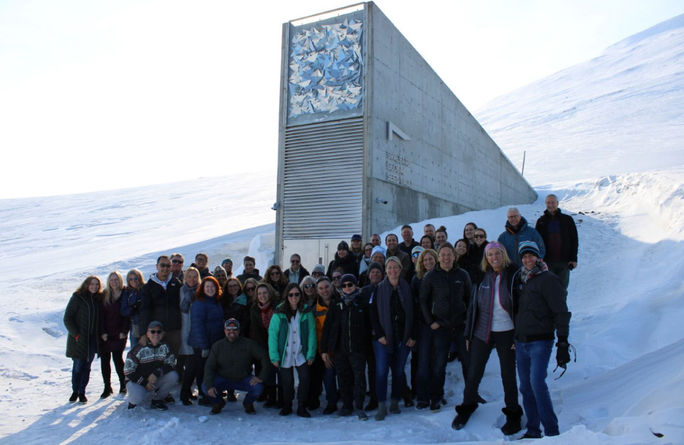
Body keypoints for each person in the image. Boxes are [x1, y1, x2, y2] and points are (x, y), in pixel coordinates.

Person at [452, 242, 522, 434]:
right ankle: (467, 405)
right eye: (490, 255)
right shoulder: (482, 277)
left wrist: (519, 335)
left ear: (504, 254)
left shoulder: (513, 275)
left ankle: (513, 413)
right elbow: (473, 307)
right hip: (482, 331)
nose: (494, 258)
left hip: (507, 332)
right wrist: (468, 333)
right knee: (474, 372)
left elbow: (521, 307)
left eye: (497, 253)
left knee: (508, 375)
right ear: (486, 258)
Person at [514, 241, 571, 438]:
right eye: (524, 256)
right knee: (525, 387)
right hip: (522, 342)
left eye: (531, 256)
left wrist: (562, 341)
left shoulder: (548, 279)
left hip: (540, 341)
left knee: (537, 384)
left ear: (538, 257)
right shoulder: (522, 279)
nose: (527, 259)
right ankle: (533, 430)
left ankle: (552, 432)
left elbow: (561, 312)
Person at [417, 242, 472, 411]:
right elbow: (423, 301)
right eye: (443, 255)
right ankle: (436, 397)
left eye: (449, 254)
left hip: (460, 325)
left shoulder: (462, 275)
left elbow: (470, 300)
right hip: (440, 326)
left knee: (467, 362)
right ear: (438, 257)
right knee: (439, 364)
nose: (446, 258)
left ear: (454, 257)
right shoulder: (431, 276)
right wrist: (430, 322)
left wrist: (468, 322)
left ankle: (471, 395)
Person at [369, 257, 415, 421]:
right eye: (389, 267)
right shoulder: (378, 289)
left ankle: (395, 401)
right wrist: (380, 334)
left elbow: (414, 313)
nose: (393, 270)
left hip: (403, 337)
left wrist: (412, 336)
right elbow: (373, 314)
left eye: (396, 267)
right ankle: (382, 405)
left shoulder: (407, 288)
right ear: (385, 270)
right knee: (381, 372)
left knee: (398, 371)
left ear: (400, 269)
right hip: (383, 339)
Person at [320, 274, 372, 420]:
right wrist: (324, 349)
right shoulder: (336, 304)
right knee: (343, 378)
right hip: (340, 348)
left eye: (350, 285)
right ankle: (347, 405)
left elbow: (370, 325)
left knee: (359, 377)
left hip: (357, 348)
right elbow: (328, 327)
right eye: (344, 285)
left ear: (355, 285)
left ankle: (359, 406)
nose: (347, 288)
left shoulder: (362, 303)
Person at [203, 318, 271, 415]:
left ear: (239, 330)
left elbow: (264, 356)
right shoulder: (217, 346)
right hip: (223, 379)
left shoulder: (249, 344)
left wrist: (261, 377)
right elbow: (209, 367)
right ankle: (218, 403)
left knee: (258, 388)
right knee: (205, 387)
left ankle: (248, 403)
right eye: (228, 329)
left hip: (243, 379)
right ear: (224, 330)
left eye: (235, 329)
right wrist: (210, 385)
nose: (232, 332)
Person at [268, 283, 317, 417]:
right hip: (286, 353)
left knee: (305, 379)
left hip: (301, 352)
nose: (294, 297)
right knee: (287, 382)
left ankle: (302, 406)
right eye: (291, 295)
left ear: (300, 296)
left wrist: (311, 354)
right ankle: (287, 405)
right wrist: (274, 356)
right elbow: (273, 335)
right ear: (286, 296)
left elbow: (312, 334)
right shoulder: (279, 313)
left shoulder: (306, 312)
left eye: (297, 294)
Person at [186, 276, 224, 406]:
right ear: (202, 288)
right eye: (207, 286)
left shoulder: (215, 301)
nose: (210, 289)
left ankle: (211, 391)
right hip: (202, 344)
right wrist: (204, 346)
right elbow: (197, 325)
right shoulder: (200, 303)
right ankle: (204, 395)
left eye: (212, 286)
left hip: (215, 342)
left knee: (211, 368)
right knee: (203, 370)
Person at [64, 275, 102, 403]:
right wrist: (77, 335)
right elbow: (68, 318)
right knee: (78, 366)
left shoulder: (98, 299)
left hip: (92, 339)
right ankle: (75, 391)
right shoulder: (77, 298)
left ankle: (82, 392)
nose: (94, 287)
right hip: (79, 339)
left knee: (87, 366)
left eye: (97, 285)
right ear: (86, 284)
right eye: (92, 284)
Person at [124, 321, 179, 410]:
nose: (156, 334)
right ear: (147, 334)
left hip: (154, 379)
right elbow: (128, 371)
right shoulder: (139, 348)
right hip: (137, 381)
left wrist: (157, 373)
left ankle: (157, 400)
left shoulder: (165, 347)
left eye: (159, 332)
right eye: (152, 331)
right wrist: (144, 383)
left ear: (163, 334)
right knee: (136, 398)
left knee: (173, 376)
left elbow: (171, 363)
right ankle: (133, 399)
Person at [410, 248, 437, 409]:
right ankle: (422, 396)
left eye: (430, 259)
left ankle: (436, 394)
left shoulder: (442, 276)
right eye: (425, 260)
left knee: (437, 362)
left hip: (439, 325)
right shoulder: (416, 279)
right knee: (423, 361)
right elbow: (415, 305)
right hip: (423, 326)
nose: (428, 262)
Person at [140, 255, 182, 356]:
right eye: (162, 265)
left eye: (168, 266)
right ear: (157, 266)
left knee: (175, 360)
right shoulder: (148, 287)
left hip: (174, 330)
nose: (165, 268)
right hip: (156, 332)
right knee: (157, 361)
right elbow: (144, 310)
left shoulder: (176, 283)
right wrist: (143, 333)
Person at [308, 277, 339, 414]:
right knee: (325, 375)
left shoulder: (339, 303)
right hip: (321, 349)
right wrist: (322, 352)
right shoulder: (314, 308)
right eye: (320, 288)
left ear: (331, 287)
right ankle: (321, 401)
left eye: (326, 287)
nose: (324, 290)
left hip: (338, 348)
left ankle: (336, 401)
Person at [535, 194, 579, 290]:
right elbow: (537, 242)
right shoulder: (541, 221)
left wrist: (573, 258)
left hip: (564, 262)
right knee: (549, 290)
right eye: (548, 202)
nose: (551, 204)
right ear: (545, 204)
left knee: (562, 290)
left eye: (553, 202)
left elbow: (574, 239)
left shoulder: (567, 220)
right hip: (547, 262)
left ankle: (561, 305)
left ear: (557, 203)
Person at [98, 271, 129, 398]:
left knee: (117, 359)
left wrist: (124, 331)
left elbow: (127, 315)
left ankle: (123, 384)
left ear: (120, 281)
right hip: (106, 333)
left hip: (119, 333)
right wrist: (102, 332)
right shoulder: (105, 294)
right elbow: (100, 315)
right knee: (105, 360)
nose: (114, 282)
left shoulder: (125, 293)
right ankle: (107, 387)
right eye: (112, 280)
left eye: (116, 279)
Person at [249, 283, 278, 407]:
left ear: (269, 293)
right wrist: (265, 348)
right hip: (262, 343)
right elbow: (256, 330)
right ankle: (265, 394)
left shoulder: (277, 306)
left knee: (278, 372)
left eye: (265, 293)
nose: (262, 296)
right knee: (265, 369)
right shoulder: (254, 309)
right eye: (259, 293)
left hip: (278, 342)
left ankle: (277, 397)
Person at [179, 267, 200, 405]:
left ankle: (186, 392)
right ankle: (184, 392)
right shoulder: (180, 291)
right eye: (189, 276)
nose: (192, 279)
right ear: (185, 277)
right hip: (182, 330)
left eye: (194, 277)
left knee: (193, 364)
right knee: (186, 364)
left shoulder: (201, 291)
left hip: (196, 332)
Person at [120, 269, 145, 346]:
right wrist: (132, 309)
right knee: (135, 350)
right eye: (130, 279)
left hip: (147, 324)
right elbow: (123, 311)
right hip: (134, 325)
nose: (133, 281)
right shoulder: (127, 292)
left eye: (135, 278)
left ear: (140, 278)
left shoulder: (145, 289)